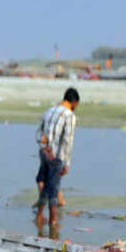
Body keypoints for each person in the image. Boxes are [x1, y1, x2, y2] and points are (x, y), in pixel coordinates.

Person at [35, 87, 78, 240]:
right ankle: (52, 220)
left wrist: (44, 148)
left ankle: (40, 216)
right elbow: (68, 141)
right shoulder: (69, 115)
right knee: (53, 186)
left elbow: (39, 132)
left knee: (45, 183)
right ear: (74, 102)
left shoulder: (49, 110)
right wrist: (67, 162)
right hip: (57, 156)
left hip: (45, 152)